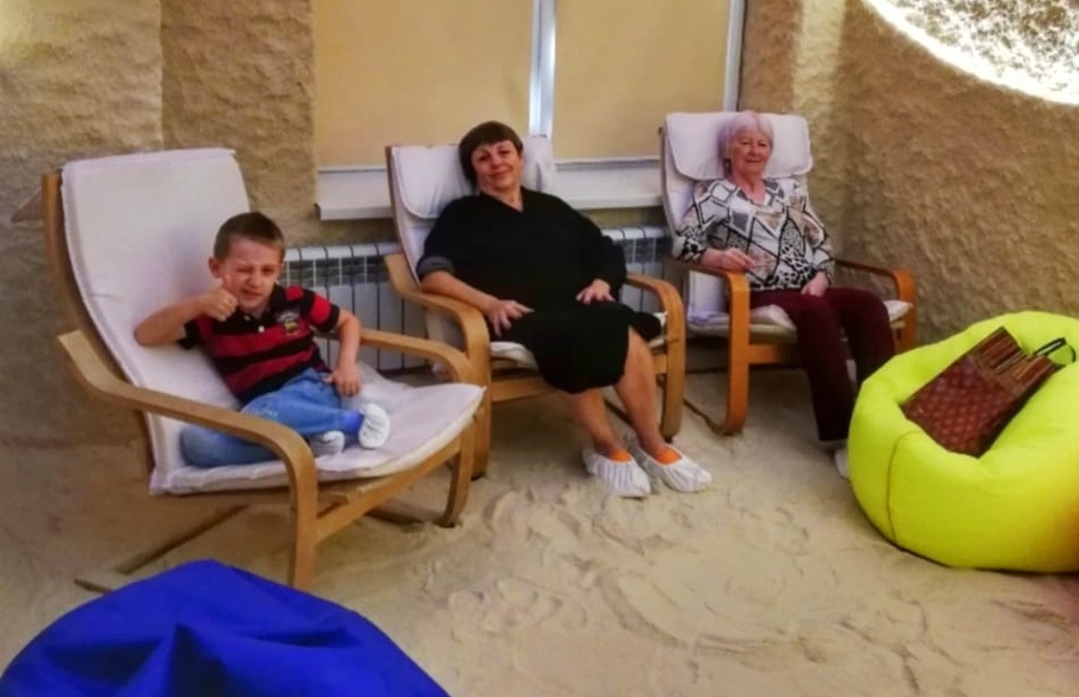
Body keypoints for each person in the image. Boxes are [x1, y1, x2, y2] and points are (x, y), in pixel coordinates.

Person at [417, 120, 711, 498]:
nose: (496, 162)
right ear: (472, 169)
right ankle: (607, 447)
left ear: (520, 158)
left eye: (504, 152)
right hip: (521, 316)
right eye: (483, 157)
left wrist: (602, 282)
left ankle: (652, 444)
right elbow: (433, 276)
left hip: (579, 304)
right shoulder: (461, 215)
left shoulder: (551, 207)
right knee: (575, 336)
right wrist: (489, 303)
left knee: (619, 321)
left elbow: (605, 249)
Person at [673, 111, 895, 473]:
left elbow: (821, 241)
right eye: (745, 142)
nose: (754, 150)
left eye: (762, 144)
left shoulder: (790, 191)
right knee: (816, 313)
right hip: (758, 292)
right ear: (728, 150)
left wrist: (822, 276)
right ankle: (840, 435)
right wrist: (717, 256)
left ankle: (882, 419)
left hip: (808, 287)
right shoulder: (713, 193)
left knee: (868, 305)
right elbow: (682, 242)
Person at [134, 212, 392, 467]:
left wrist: (346, 365)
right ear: (216, 267)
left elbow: (348, 322)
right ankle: (310, 441)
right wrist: (197, 304)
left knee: (256, 413)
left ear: (280, 270)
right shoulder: (211, 317)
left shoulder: (296, 300)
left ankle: (356, 422)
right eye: (244, 270)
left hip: (311, 388)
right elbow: (145, 336)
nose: (256, 281)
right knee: (196, 443)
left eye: (267, 271)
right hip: (265, 413)